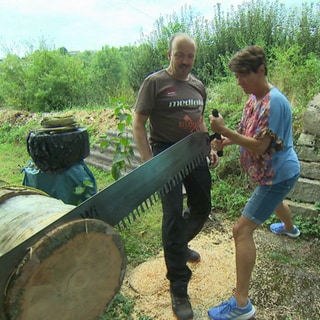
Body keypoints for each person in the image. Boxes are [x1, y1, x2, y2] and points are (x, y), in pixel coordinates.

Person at [207, 45, 301, 320]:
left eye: (242, 75)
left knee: (241, 231)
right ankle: (290, 228)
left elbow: (260, 147)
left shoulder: (275, 102)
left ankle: (241, 304)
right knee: (274, 203)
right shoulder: (254, 98)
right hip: (273, 176)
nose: (238, 81)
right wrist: (227, 138)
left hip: (277, 175)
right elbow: (248, 133)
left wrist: (224, 130)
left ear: (261, 70)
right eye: (236, 76)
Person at [133, 33, 219, 320]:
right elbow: (139, 123)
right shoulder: (154, 83)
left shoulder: (198, 86)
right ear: (169, 55)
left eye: (190, 56)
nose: (185, 61)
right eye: (179, 55)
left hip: (193, 151)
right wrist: (150, 164)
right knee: (172, 215)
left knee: (202, 208)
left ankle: (177, 245)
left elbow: (200, 119)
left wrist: (209, 147)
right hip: (165, 152)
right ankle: (179, 286)